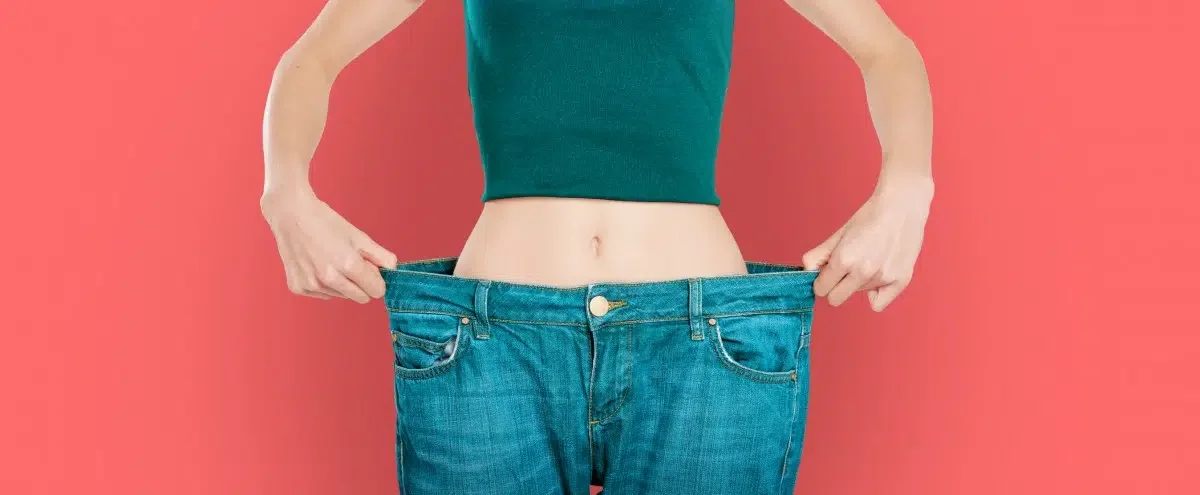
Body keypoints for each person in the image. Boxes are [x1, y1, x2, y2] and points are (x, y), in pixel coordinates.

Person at [260, 0, 932, 493]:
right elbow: (311, 57)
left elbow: (887, 49)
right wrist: (285, 192)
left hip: (702, 346)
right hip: (494, 345)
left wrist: (906, 187)